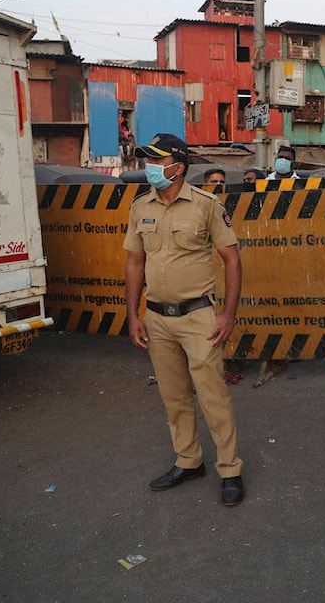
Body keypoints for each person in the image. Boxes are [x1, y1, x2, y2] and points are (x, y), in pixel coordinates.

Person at [123, 133, 246, 506]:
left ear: (177, 166)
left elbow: (232, 259)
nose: (150, 167)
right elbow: (134, 261)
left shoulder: (206, 205)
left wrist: (228, 314)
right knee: (174, 396)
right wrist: (133, 314)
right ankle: (189, 460)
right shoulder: (140, 206)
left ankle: (230, 469)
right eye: (148, 160)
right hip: (157, 318)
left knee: (213, 396)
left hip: (198, 318)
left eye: (157, 160)